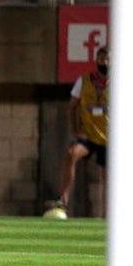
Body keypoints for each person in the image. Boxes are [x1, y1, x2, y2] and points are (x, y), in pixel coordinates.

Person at [51, 45, 108, 217]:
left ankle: (109, 214)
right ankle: (64, 199)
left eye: (108, 60)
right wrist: (75, 130)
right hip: (88, 136)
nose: (104, 63)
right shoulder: (83, 81)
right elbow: (72, 106)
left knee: (109, 176)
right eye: (101, 59)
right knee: (71, 154)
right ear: (96, 61)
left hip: (110, 138)